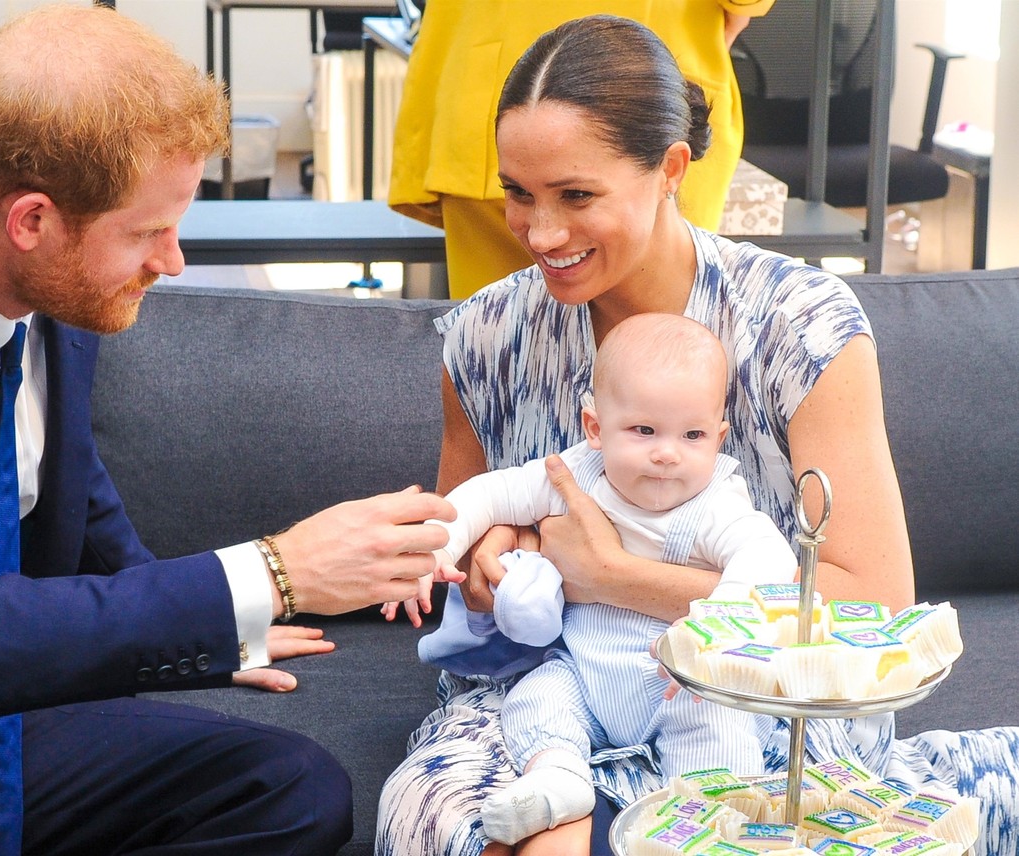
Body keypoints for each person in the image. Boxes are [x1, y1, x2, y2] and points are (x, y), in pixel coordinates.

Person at [0, 5, 459, 854]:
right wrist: (274, 573)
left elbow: (67, 479)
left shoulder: (52, 288)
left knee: (289, 791)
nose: (171, 262)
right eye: (148, 232)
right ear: (32, 220)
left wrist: (205, 627)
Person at [375, 14, 1019, 856]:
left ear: (671, 169)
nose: (539, 234)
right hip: (550, 694)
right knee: (503, 837)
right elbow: (463, 538)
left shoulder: (799, 324)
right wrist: (493, 549)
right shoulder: (485, 335)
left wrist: (610, 575)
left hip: (759, 703)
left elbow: (874, 605)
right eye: (519, 193)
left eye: (576, 195)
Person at [385, 312, 797, 845]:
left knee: (720, 725)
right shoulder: (575, 474)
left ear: (718, 436)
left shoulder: (716, 502)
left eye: (692, 434)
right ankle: (559, 778)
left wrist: (713, 634)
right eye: (643, 430)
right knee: (537, 697)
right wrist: (433, 548)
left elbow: (767, 560)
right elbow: (489, 495)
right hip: (584, 673)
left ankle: (701, 821)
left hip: (681, 683)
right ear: (596, 428)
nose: (667, 452)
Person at [387, 0, 774, 299]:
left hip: (482, 80)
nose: (544, 235)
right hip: (648, 89)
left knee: (502, 359)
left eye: (578, 195)